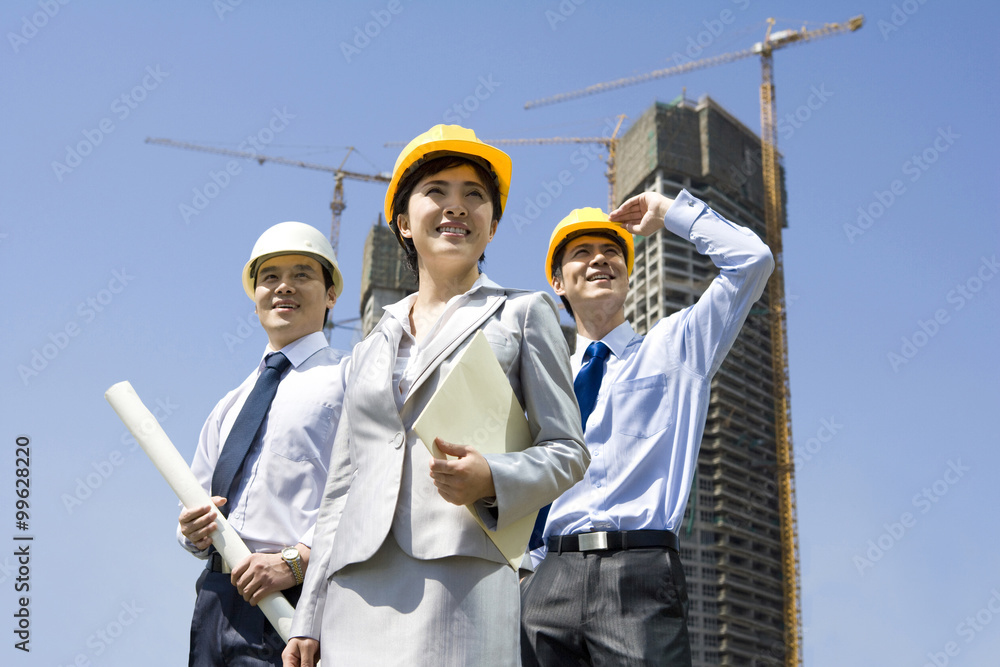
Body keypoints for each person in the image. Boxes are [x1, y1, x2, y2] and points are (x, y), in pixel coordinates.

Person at [282, 124, 589, 667]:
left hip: (462, 574)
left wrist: (493, 477)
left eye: (475, 196)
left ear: (492, 227)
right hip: (356, 586)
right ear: (403, 221)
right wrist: (309, 614)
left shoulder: (522, 314)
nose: (457, 207)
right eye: (437, 192)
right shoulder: (371, 342)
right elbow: (341, 488)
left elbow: (568, 450)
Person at [520, 192, 774, 665]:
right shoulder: (540, 378)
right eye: (582, 252)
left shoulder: (676, 349)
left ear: (628, 274)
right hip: (546, 578)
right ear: (558, 281)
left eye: (612, 252)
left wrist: (670, 213)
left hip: (637, 576)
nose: (600, 259)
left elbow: (752, 261)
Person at [177, 221, 349, 666]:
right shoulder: (229, 404)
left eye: (302, 275)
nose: (283, 288)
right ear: (255, 301)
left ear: (332, 295)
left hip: (297, 602)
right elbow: (193, 509)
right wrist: (191, 531)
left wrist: (296, 561)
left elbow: (370, 489)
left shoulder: (350, 381)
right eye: (269, 277)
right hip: (215, 598)